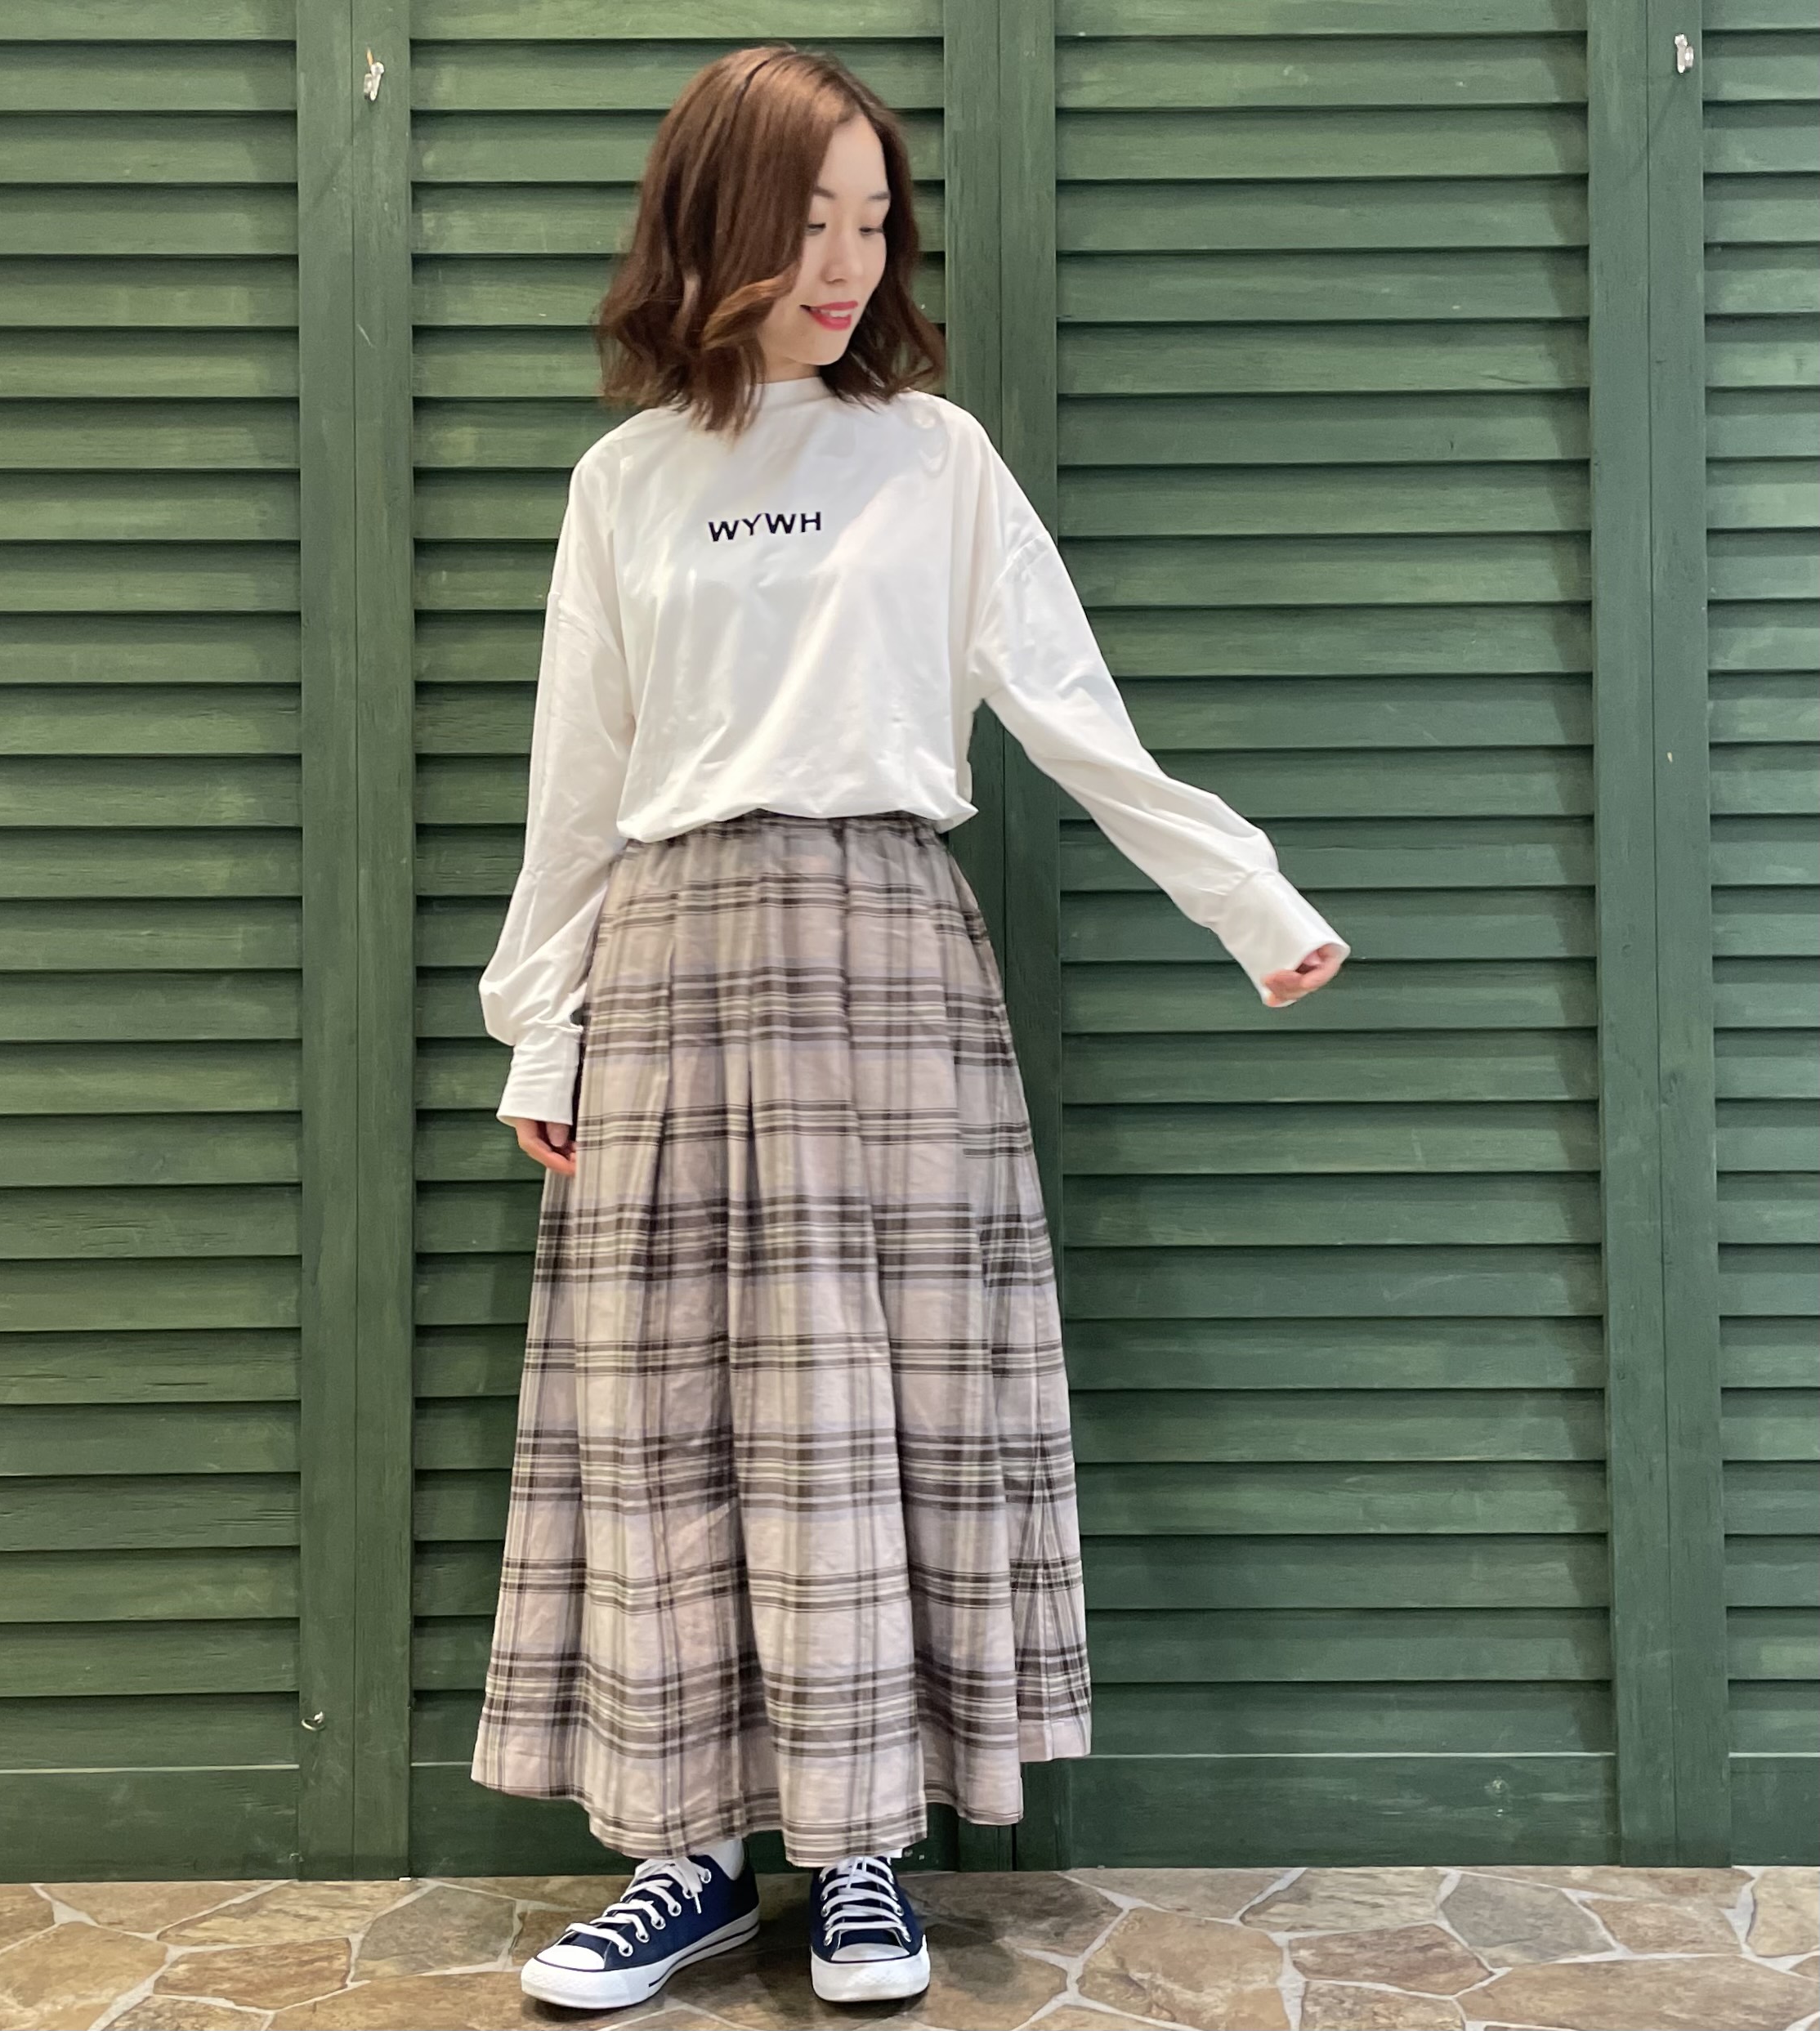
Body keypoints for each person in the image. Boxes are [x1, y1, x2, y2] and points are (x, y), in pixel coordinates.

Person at [474, 43, 1348, 2014]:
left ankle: (865, 1855)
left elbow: (1068, 705)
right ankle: (688, 1861)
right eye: (810, 222)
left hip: (887, 953)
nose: (849, 263)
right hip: (672, 968)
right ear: (714, 224)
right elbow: (579, 783)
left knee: (883, 1413)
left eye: (875, 223)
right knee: (666, 1418)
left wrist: (1247, 897)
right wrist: (540, 1027)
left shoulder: (933, 457)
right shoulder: (625, 484)